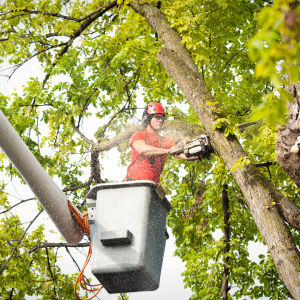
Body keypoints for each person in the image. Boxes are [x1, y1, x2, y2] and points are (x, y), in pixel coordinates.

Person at [124, 102, 198, 183]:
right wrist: (167, 151)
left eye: (162, 118)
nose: (160, 120)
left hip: (151, 187)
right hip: (132, 183)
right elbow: (143, 150)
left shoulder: (166, 142)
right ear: (148, 119)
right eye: (157, 117)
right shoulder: (139, 135)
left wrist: (200, 153)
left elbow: (185, 155)